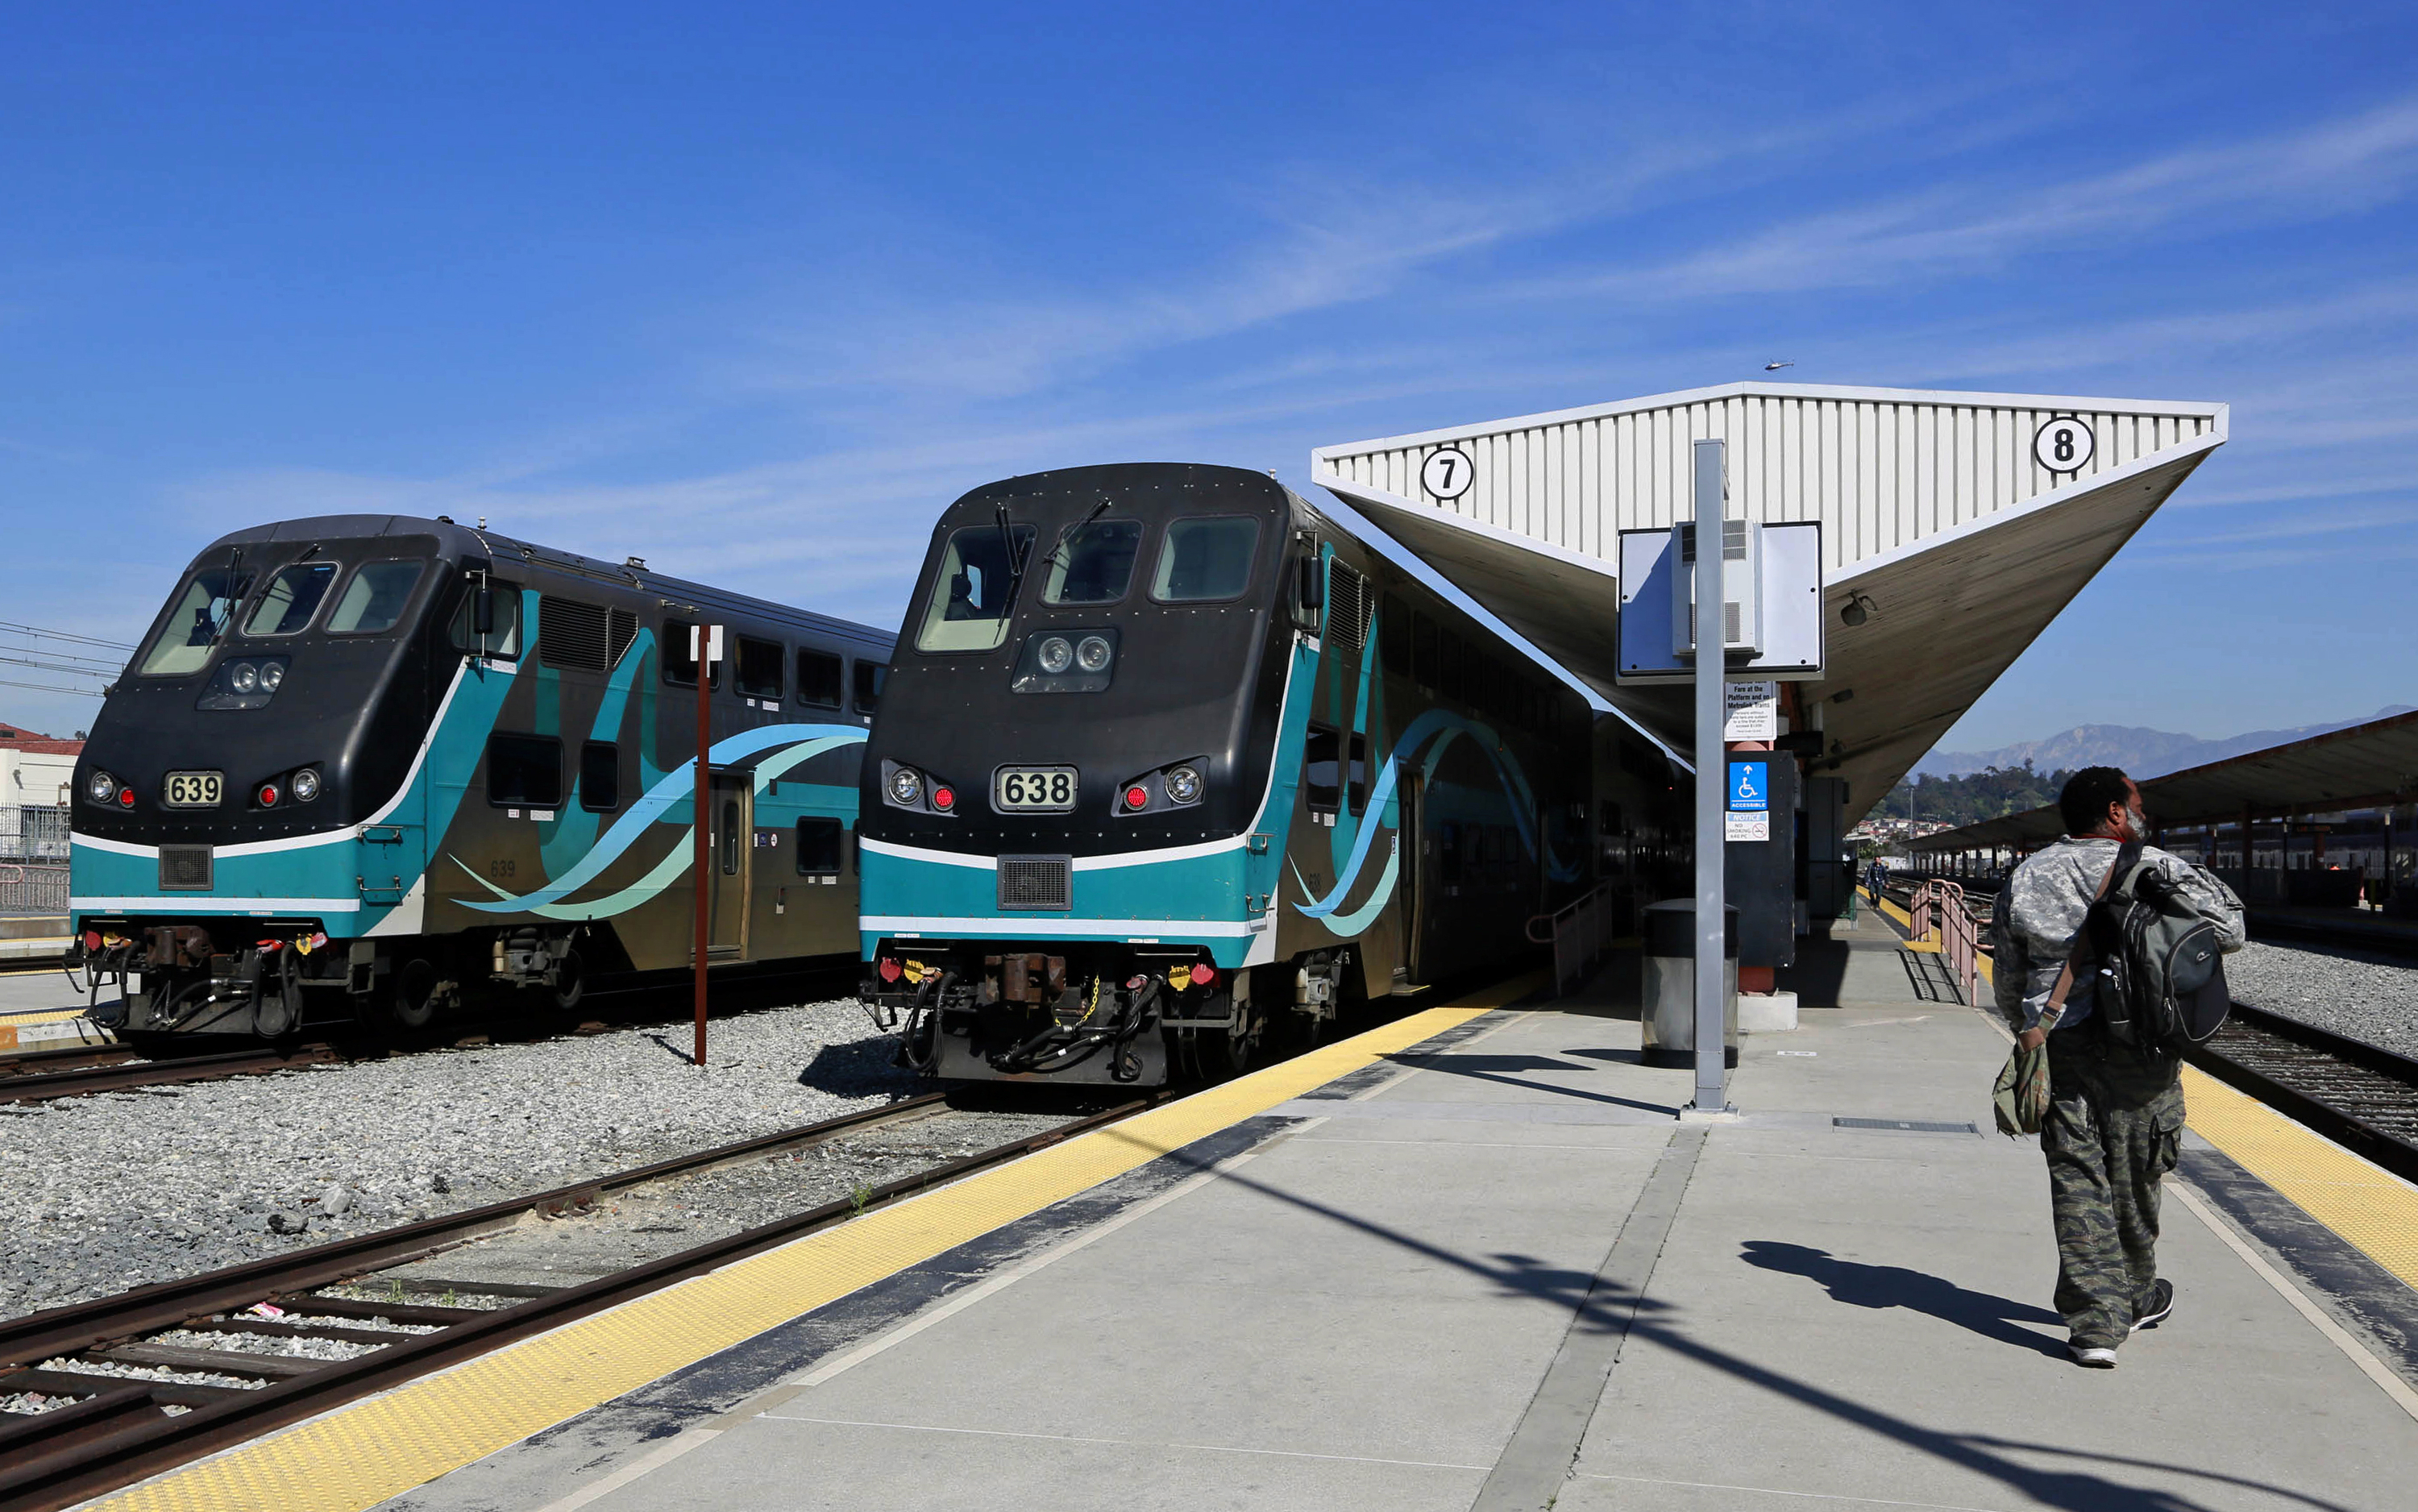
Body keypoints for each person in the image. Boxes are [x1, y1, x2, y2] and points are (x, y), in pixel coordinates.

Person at [1990, 766, 2244, 1368]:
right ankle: (2134, 1293)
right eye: (2137, 804)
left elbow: (2008, 971)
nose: (2142, 813)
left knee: (2078, 1176)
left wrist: (2028, 1030)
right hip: (2145, 1048)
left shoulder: (2029, 876)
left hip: (2065, 1045)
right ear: (2113, 813)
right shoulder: (2158, 867)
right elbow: (2230, 930)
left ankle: (2094, 1325)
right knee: (2136, 1172)